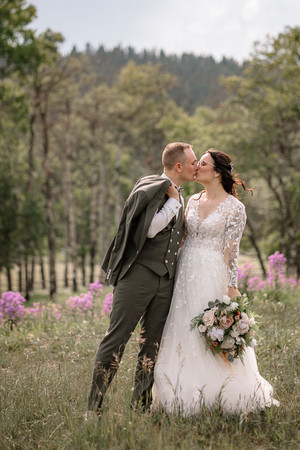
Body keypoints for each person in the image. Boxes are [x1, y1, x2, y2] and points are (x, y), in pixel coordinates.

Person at [153, 149, 279, 415]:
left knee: (211, 329)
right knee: (181, 328)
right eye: (197, 162)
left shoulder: (235, 208)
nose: (196, 166)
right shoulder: (193, 200)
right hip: (185, 272)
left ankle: (222, 391)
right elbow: (183, 239)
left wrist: (231, 287)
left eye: (203, 163)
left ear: (217, 172)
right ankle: (178, 390)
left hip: (212, 274)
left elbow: (231, 251)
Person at [87, 142, 198, 415]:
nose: (197, 166)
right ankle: (93, 408)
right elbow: (148, 231)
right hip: (137, 277)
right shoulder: (154, 189)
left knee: (152, 345)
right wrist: (172, 202)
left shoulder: (179, 195)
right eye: (194, 162)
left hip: (165, 281)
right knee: (116, 340)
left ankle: (141, 406)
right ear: (179, 166)